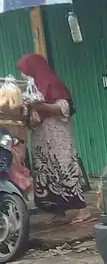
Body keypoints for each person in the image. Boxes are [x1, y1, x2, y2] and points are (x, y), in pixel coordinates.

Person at [16, 53, 90, 223]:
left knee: (64, 167)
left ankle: (83, 210)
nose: (22, 75)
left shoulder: (52, 83)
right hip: (41, 137)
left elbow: (65, 107)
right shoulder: (33, 89)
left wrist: (41, 106)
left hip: (57, 135)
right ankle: (58, 210)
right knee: (46, 171)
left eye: (24, 71)